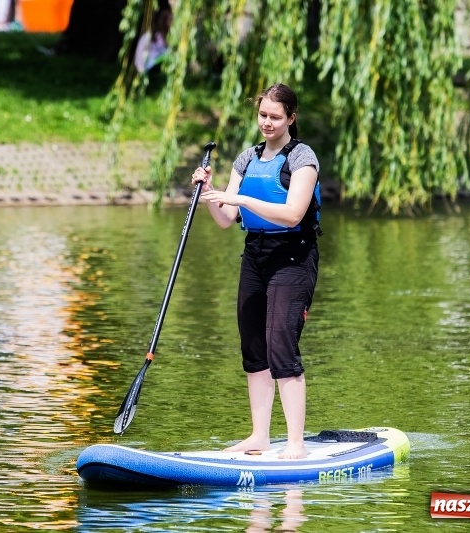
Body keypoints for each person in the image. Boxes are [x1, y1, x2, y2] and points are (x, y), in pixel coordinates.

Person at [191, 83, 321, 459]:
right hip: (255, 256)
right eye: (262, 114)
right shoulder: (247, 158)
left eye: (275, 117)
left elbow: (293, 214)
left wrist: (242, 198)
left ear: (291, 118)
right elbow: (225, 218)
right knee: (253, 346)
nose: (267, 122)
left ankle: (295, 443)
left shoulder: (303, 158)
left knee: (281, 345)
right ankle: (259, 436)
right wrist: (209, 192)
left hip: (293, 257)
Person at [133, 8, 172, 75]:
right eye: (170, 20)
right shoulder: (154, 36)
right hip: (150, 71)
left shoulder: (163, 36)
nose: (172, 24)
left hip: (150, 70)